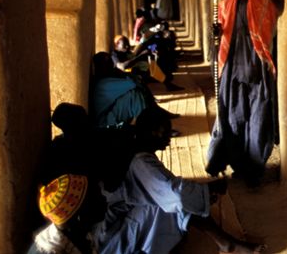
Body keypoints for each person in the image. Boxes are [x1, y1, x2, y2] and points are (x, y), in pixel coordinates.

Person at [93, 107, 266, 254]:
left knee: (180, 196)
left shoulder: (137, 150)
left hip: (114, 226)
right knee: (178, 201)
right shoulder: (140, 162)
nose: (169, 135)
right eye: (165, 130)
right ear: (152, 132)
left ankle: (223, 242)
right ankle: (227, 243)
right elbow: (175, 194)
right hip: (112, 239)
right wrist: (206, 191)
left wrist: (202, 192)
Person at [206, 0, 279, 187]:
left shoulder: (264, 4)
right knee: (233, 115)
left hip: (257, 67)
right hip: (233, 66)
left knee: (258, 116)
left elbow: (268, 33)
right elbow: (218, 35)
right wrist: (215, 32)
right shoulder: (225, 5)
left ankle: (254, 168)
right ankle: (236, 162)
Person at [90, 52, 180, 130]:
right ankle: (150, 127)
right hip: (106, 122)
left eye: (110, 63)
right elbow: (131, 84)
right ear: (99, 67)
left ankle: (153, 119)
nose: (110, 66)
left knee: (136, 90)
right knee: (135, 95)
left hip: (111, 114)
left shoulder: (105, 79)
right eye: (107, 64)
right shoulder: (104, 83)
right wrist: (123, 74)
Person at [28, 173, 104, 254]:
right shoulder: (49, 250)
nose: (104, 198)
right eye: (96, 199)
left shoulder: (79, 233)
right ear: (78, 215)